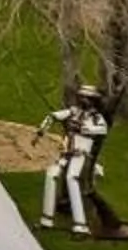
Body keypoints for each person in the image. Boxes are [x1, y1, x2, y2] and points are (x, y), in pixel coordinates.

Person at [35, 83, 112, 237]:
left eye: (86, 98)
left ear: (92, 100)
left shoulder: (96, 118)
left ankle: (80, 226)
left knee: (72, 178)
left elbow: (101, 130)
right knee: (51, 175)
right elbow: (53, 115)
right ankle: (47, 220)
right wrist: (42, 129)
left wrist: (81, 128)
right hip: (67, 153)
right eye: (81, 97)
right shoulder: (74, 112)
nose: (83, 100)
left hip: (81, 155)